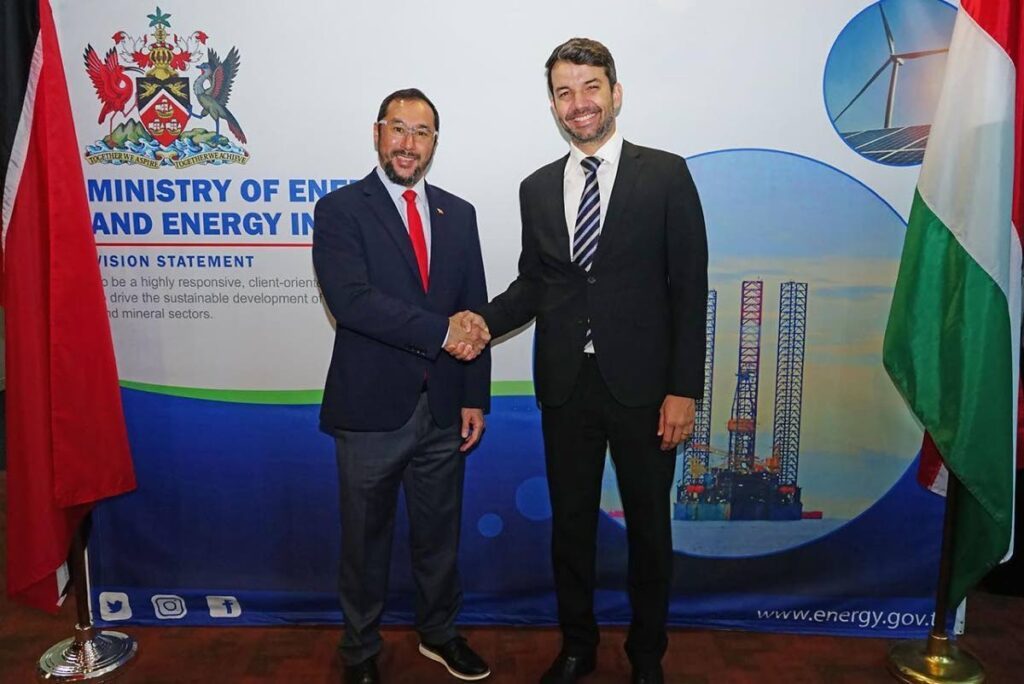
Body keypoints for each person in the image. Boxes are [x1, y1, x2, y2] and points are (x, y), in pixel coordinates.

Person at [459, 38, 708, 684]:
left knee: (650, 533)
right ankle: (577, 646)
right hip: (567, 388)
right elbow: (535, 287)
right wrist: (481, 321)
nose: (579, 103)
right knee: (570, 530)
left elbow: (689, 288)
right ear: (552, 104)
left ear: (615, 93)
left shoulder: (667, 174)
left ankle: (647, 655)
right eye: (565, 92)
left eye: (590, 87)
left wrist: (684, 390)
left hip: (647, 392)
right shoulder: (537, 189)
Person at [313, 88, 492, 684]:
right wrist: (442, 332)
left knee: (439, 538)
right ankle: (361, 651)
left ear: (435, 143)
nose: (407, 144)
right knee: (364, 544)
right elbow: (354, 303)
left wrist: (473, 395)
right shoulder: (340, 210)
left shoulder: (458, 213)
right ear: (377, 133)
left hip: (443, 409)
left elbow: (475, 311)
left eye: (421, 132)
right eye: (398, 129)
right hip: (370, 411)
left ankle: (439, 633)